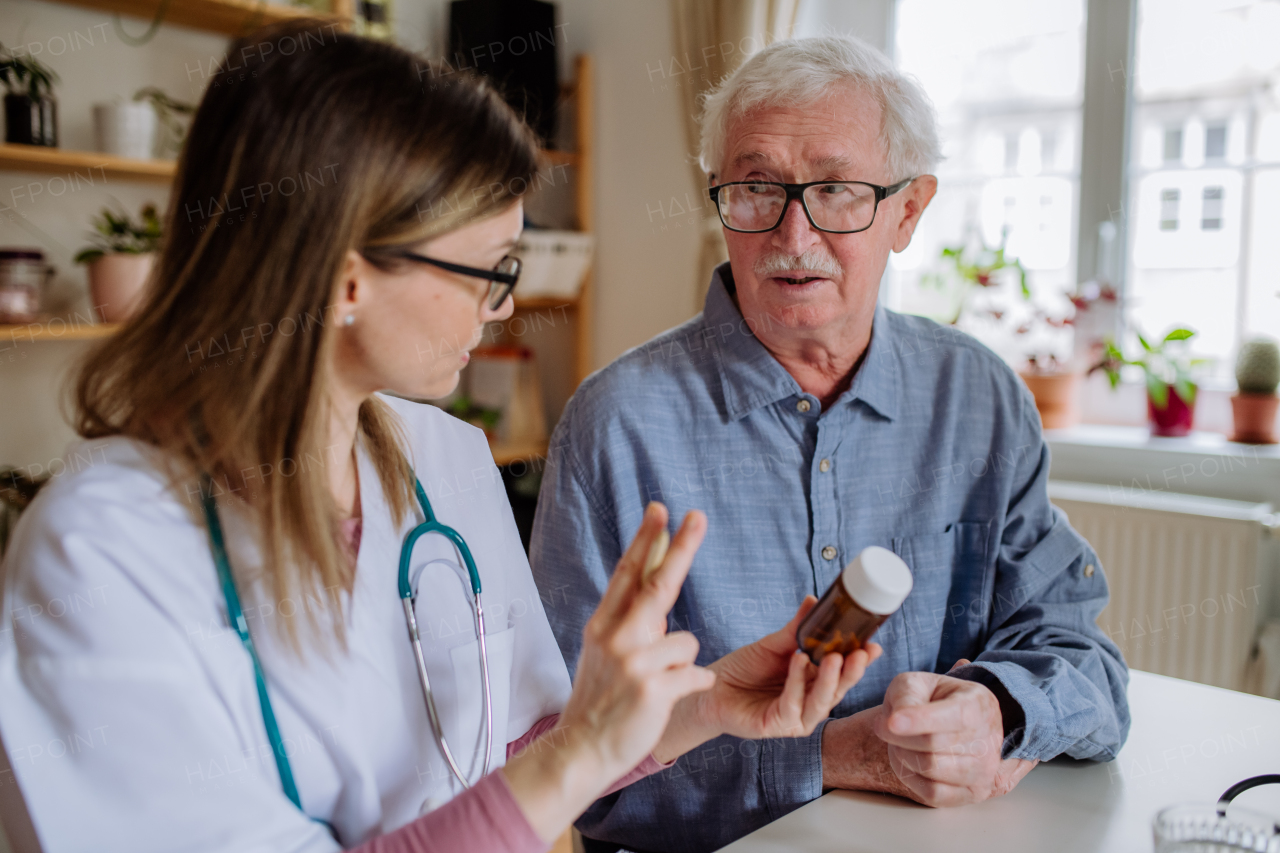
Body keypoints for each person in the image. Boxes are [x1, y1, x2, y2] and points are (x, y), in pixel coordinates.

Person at [0, 22, 884, 853]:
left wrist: (699, 706)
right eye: (489, 269)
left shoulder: (443, 461)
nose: (503, 305)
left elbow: (512, 750)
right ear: (346, 277)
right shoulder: (97, 552)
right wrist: (575, 755)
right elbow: (550, 770)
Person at [530, 34, 1131, 853]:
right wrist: (831, 757)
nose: (792, 233)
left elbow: (1079, 648)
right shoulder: (616, 425)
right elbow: (561, 765)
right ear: (719, 198)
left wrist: (1000, 708)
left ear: (908, 211)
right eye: (755, 188)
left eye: (839, 190)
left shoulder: (979, 397)